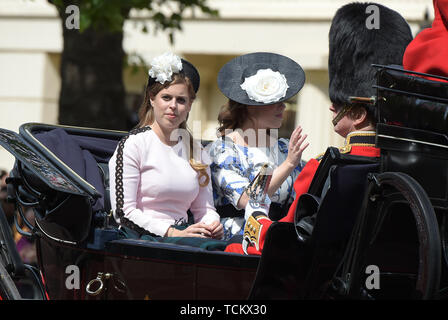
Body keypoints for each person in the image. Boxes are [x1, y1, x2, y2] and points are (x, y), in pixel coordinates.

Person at [225, 2, 414, 254]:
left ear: (357, 113)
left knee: (228, 249)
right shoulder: (410, 164)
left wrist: (257, 217)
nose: (331, 108)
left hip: (313, 279)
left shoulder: (326, 168)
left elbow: (285, 240)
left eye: (337, 103)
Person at [109, 52, 224, 241]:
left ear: (189, 105)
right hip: (142, 240)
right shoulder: (133, 145)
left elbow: (204, 209)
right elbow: (123, 212)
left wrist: (211, 225)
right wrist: (171, 232)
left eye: (181, 100)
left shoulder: (197, 151)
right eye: (166, 97)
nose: (173, 106)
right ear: (152, 99)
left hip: (185, 238)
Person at [209, 52, 310, 241]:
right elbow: (247, 200)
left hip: (280, 238)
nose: (283, 107)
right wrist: (288, 164)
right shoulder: (223, 150)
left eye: (283, 102)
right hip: (237, 240)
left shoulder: (283, 147)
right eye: (276, 102)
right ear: (250, 106)